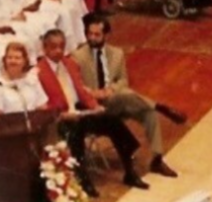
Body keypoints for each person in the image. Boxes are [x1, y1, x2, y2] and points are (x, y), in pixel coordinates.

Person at [34, 28, 147, 192]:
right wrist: (63, 114)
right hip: (60, 117)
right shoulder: (38, 72)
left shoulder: (70, 64)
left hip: (80, 110)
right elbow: (40, 104)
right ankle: (83, 178)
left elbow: (81, 91)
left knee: (112, 120)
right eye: (54, 47)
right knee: (76, 130)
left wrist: (94, 106)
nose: (58, 51)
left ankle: (129, 171)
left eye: (61, 46)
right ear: (45, 48)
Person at [71, 14, 179, 178]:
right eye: (90, 34)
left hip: (117, 100)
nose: (92, 38)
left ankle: (157, 159)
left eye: (97, 34)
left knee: (148, 114)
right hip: (95, 105)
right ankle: (159, 106)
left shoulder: (117, 54)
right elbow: (77, 85)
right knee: (126, 96)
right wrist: (95, 93)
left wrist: (110, 90)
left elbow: (123, 80)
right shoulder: (78, 56)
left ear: (106, 35)